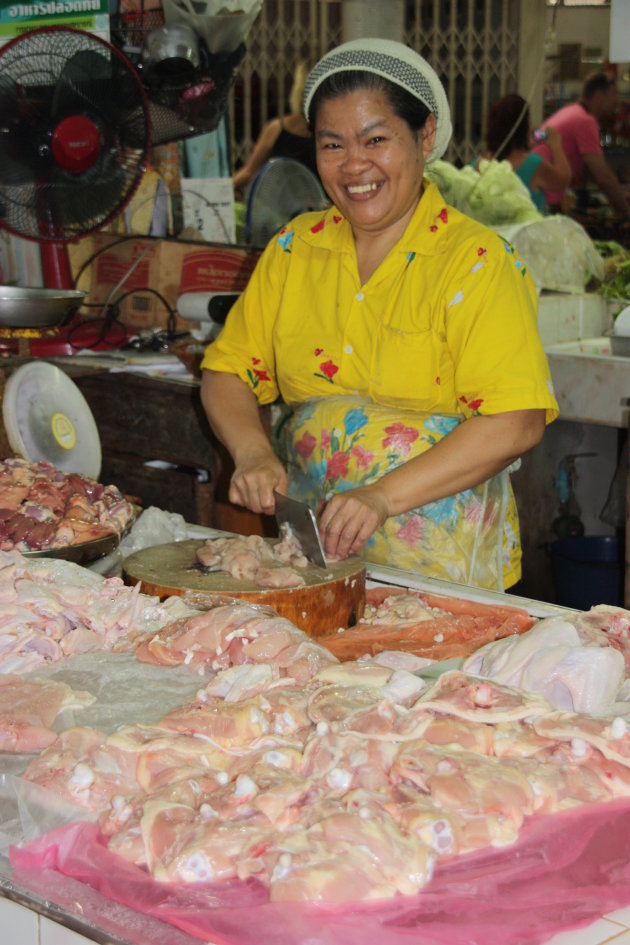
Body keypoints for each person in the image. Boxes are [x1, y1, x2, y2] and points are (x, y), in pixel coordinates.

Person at [200, 38, 559, 592]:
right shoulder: (295, 250)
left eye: (376, 139)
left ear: (425, 136)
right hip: (316, 562)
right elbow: (227, 370)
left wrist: (382, 496)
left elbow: (517, 420)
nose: (354, 165)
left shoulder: (476, 262)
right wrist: (252, 451)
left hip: (444, 570)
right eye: (332, 144)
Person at [533, 71, 630, 220]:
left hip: (535, 190)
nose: (617, 101)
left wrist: (617, 194)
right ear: (599, 95)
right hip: (545, 198)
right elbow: (602, 177)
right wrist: (626, 210)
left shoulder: (569, 112)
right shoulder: (585, 121)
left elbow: (535, 137)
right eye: (614, 93)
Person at [232, 60, 317, 193]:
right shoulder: (333, 131)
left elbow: (248, 173)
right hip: (326, 210)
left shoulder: (278, 128)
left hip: (281, 210)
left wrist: (216, 192)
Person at [481, 93, 571, 213]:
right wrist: (555, 145)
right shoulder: (534, 165)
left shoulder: (478, 165)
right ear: (524, 127)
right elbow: (563, 179)